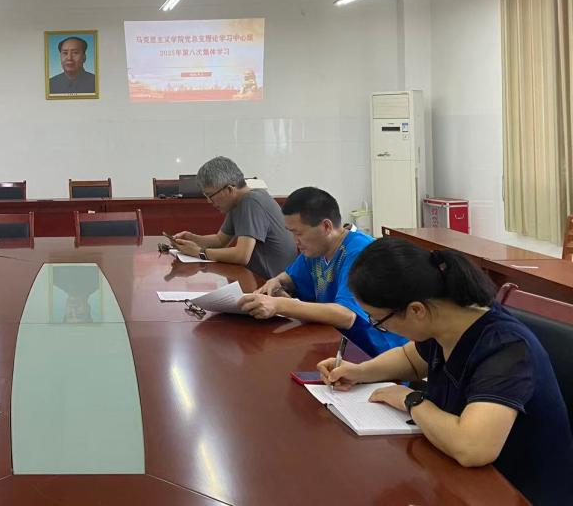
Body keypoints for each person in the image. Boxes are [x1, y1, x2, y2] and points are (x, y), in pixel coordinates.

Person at [320, 237, 573, 505]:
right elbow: (410, 358)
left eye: (378, 320)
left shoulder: (504, 348)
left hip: (517, 491)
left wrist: (411, 400)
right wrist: (359, 371)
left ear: (416, 310)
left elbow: (473, 448)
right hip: (463, 477)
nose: (378, 326)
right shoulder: (444, 319)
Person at [238, 187, 407, 357]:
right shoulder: (316, 249)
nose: (295, 241)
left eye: (298, 233)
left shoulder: (360, 252)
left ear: (326, 226)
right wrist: (276, 282)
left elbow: (346, 315)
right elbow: (290, 277)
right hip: (336, 343)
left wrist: (279, 305)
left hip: (376, 353)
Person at [172, 156, 296, 278]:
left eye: (210, 195)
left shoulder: (251, 201)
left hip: (275, 284)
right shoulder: (237, 203)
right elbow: (220, 241)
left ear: (229, 190)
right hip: (258, 278)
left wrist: (199, 253)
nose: (209, 201)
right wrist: (192, 238)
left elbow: (242, 255)